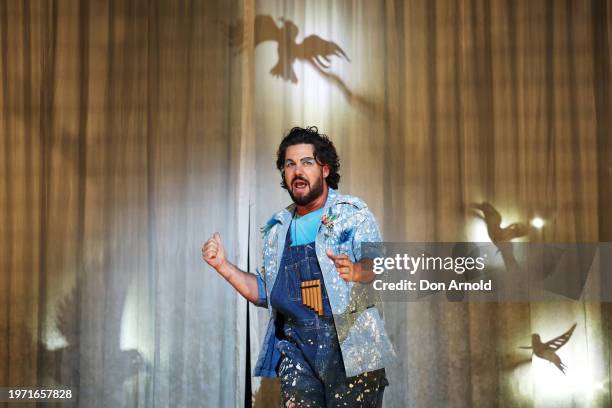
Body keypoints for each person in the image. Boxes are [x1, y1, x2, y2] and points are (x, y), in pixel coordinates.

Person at [202, 126, 395, 407]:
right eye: (290, 164)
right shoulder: (277, 228)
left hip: (352, 347)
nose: (297, 170)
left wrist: (356, 271)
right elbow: (267, 292)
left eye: (307, 162)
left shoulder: (352, 214)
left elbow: (379, 265)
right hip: (297, 350)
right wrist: (222, 266)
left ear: (325, 170)